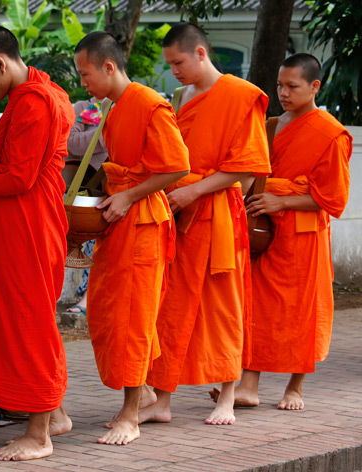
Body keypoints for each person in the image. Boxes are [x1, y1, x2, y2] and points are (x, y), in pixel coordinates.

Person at [0, 25, 74, 461]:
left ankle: (39, 434)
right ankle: (54, 414)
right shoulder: (39, 92)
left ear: (1, 63)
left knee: (29, 322)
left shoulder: (35, 102)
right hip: (24, 221)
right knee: (28, 316)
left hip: (28, 224)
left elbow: (20, 177)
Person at [142, 23, 271, 425]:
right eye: (170, 64)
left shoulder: (240, 95)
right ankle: (162, 401)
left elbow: (247, 169)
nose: (174, 70)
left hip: (219, 214)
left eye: (178, 62)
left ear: (201, 53)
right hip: (181, 213)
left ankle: (228, 397)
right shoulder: (181, 97)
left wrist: (193, 192)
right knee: (174, 306)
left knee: (222, 306)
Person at [211, 53, 352, 411]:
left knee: (302, 311)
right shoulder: (271, 125)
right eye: (280, 85)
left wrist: (282, 202)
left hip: (303, 236)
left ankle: (295, 387)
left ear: (314, 86)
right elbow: (252, 174)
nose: (284, 93)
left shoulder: (331, 133)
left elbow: (333, 198)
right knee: (255, 307)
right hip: (264, 232)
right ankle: (248, 385)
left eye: (293, 86)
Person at [73, 32, 190, 445]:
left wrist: (128, 196)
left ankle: (130, 414)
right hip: (121, 218)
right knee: (110, 311)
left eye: (86, 74)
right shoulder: (114, 106)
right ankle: (140, 394)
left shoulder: (148, 102)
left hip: (141, 221)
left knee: (134, 319)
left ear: (108, 67)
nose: (82, 83)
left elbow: (178, 166)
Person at [63, 97, 109, 317]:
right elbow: (72, 143)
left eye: (87, 74)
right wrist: (107, 131)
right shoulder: (84, 108)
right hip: (91, 189)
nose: (85, 81)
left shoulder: (131, 104)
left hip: (127, 189)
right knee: (92, 243)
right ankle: (87, 296)